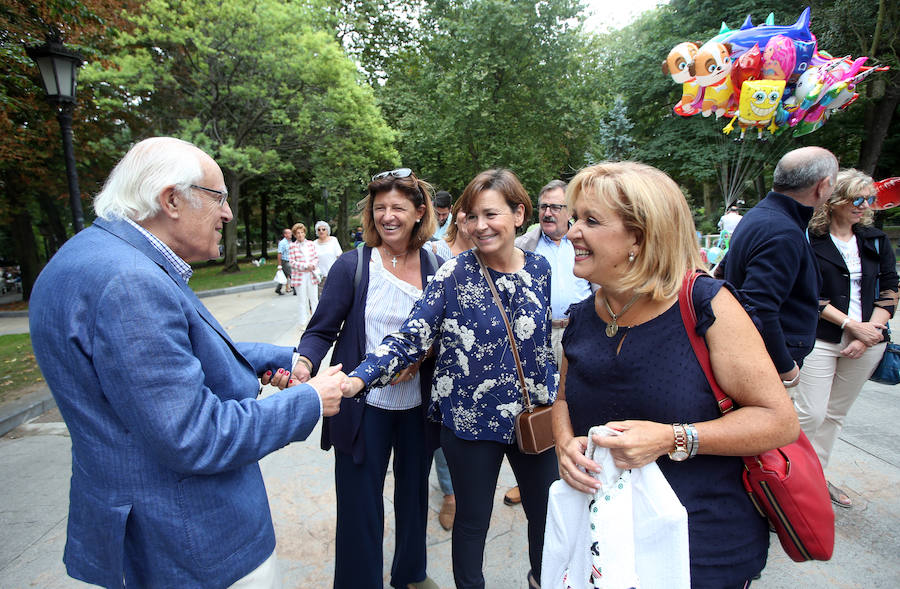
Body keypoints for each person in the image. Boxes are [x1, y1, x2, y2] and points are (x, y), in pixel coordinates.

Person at [27, 137, 349, 588]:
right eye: (219, 198)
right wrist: (311, 399)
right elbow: (195, 436)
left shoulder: (90, 255)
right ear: (171, 200)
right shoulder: (130, 282)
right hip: (193, 542)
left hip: (146, 530)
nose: (228, 213)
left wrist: (283, 359)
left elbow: (177, 354)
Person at [555, 161, 798, 588]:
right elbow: (562, 401)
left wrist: (672, 438)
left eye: (590, 220)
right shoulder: (582, 315)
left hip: (699, 545)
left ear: (640, 236)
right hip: (605, 541)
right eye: (575, 218)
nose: (572, 231)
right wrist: (564, 445)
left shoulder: (706, 304)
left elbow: (778, 421)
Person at [345, 169, 559, 589]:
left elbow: (540, 345)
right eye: (472, 216)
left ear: (519, 214)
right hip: (470, 424)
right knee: (472, 522)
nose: (480, 226)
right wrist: (359, 379)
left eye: (491, 214)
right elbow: (410, 337)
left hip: (533, 419)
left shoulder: (540, 269)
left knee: (547, 516)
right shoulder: (453, 273)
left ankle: (544, 580)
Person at [275, 168, 441, 589]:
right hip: (360, 404)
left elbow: (445, 333)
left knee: (414, 495)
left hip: (417, 406)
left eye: (398, 207)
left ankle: (411, 574)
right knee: (358, 505)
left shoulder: (437, 267)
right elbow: (321, 329)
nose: (388, 216)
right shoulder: (353, 265)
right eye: (380, 208)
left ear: (419, 212)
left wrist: (423, 357)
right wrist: (303, 364)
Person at [795, 169, 898, 508]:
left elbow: (890, 287)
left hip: (869, 339)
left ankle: (815, 480)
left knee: (835, 415)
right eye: (857, 198)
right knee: (810, 413)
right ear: (834, 200)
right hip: (821, 337)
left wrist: (870, 332)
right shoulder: (809, 239)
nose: (864, 205)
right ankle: (788, 481)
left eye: (869, 199)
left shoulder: (874, 239)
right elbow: (805, 292)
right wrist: (851, 325)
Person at [507, 179, 592, 507]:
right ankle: (529, 479)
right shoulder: (524, 244)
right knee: (535, 404)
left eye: (556, 207)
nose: (548, 213)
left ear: (570, 212)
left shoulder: (583, 240)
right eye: (543, 206)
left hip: (577, 332)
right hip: (536, 335)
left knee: (576, 401)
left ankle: (578, 469)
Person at [725, 146, 837, 387]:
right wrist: (785, 367)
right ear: (823, 186)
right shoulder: (782, 231)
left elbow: (724, 272)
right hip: (768, 364)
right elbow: (759, 306)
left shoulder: (760, 216)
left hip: (756, 353)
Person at [429, 204, 475, 531]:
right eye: (467, 212)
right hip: (440, 359)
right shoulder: (435, 252)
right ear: (456, 215)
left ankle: (472, 488)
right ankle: (450, 494)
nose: (474, 221)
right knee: (445, 429)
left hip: (480, 361)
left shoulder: (492, 254)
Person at [288, 222, 319, 327]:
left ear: (304, 233)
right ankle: (303, 322)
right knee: (302, 300)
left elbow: (316, 257)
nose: (300, 235)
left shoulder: (311, 244)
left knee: (314, 298)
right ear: (295, 235)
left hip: (312, 274)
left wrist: (313, 265)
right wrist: (305, 266)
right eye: (298, 233)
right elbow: (292, 262)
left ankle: (316, 321)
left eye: (302, 232)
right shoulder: (292, 246)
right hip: (300, 276)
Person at [313, 220, 344, 292]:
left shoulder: (333, 240)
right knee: (321, 296)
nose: (321, 231)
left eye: (323, 229)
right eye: (319, 230)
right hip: (320, 275)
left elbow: (339, 256)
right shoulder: (314, 243)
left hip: (333, 273)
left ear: (327, 230)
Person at [276, 227, 293, 295]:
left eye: (291, 233)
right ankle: (296, 289)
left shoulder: (290, 242)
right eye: (289, 233)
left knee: (285, 275)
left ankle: (278, 289)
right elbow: (279, 253)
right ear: (285, 234)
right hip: (285, 261)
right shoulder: (282, 243)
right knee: (292, 274)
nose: (290, 234)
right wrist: (279, 265)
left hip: (289, 260)